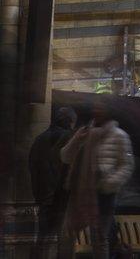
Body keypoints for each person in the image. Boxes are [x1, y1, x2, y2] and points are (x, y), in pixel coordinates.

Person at [60, 97, 134, 259]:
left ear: (109, 111)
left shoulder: (118, 136)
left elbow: (126, 166)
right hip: (80, 192)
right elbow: (65, 156)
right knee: (68, 234)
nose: (97, 111)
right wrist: (76, 139)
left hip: (103, 196)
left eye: (101, 108)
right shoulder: (85, 132)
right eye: (95, 107)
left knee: (99, 238)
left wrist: (108, 183)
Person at [29, 107, 77, 259]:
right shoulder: (68, 138)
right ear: (70, 122)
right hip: (61, 196)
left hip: (43, 195)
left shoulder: (39, 139)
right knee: (63, 239)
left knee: (43, 237)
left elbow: (32, 167)